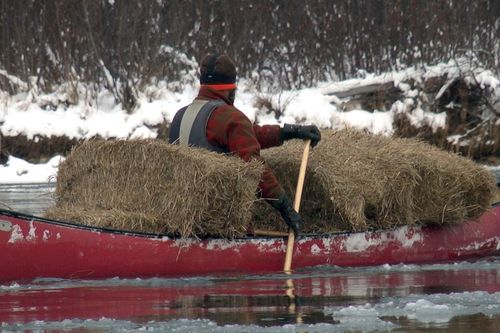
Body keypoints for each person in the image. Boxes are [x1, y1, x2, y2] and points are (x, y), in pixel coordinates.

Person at [169, 54, 321, 235]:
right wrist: (286, 208)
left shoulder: (179, 116)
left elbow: (245, 134)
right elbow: (255, 168)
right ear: (230, 89)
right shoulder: (230, 117)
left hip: (181, 220)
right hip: (220, 225)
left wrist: (287, 132)